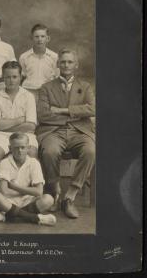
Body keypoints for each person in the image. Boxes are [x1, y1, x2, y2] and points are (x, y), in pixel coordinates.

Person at [37, 49, 95, 219]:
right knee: (50, 151)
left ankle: (70, 196)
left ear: (76, 65)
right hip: (53, 131)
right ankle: (55, 192)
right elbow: (43, 114)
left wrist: (64, 111)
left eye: (70, 62)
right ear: (57, 64)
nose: (66, 65)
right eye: (63, 62)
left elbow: (92, 109)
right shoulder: (46, 87)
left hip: (80, 131)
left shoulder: (85, 87)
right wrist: (75, 115)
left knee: (91, 151)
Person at [0, 61, 38, 190]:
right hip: (0, 135)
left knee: (31, 152)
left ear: (20, 77)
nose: (11, 80)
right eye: (8, 77)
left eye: (14, 77)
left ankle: (27, 190)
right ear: (3, 77)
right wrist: (19, 120)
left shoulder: (28, 96)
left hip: (24, 135)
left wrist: (5, 123)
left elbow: (31, 126)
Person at [0, 133, 56, 226]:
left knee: (49, 199)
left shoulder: (34, 163)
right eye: (16, 148)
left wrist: (15, 187)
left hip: (27, 200)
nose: (20, 151)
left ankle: (8, 215)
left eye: (23, 147)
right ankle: (34, 218)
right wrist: (28, 191)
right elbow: (4, 191)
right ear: (10, 148)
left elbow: (39, 192)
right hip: (9, 201)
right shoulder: (4, 163)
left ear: (28, 147)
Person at [19, 24, 58, 102]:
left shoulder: (54, 57)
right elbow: (21, 77)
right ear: (31, 38)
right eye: (36, 37)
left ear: (48, 38)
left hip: (47, 93)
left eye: (42, 36)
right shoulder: (24, 57)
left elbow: (56, 78)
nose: (39, 39)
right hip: (28, 91)